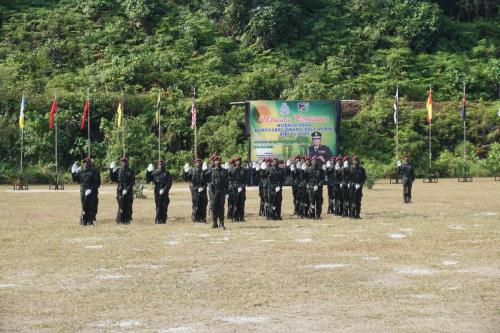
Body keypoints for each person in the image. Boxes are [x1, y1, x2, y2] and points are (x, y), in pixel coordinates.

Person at [71, 157, 101, 226]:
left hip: (91, 191)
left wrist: (91, 189)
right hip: (83, 190)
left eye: (86, 163)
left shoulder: (94, 172)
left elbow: (97, 183)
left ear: (89, 163)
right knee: (84, 205)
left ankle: (90, 220)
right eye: (84, 163)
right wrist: (73, 173)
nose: (84, 164)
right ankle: (84, 220)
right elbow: (76, 180)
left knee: (91, 206)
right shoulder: (81, 171)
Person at [109, 156, 135, 224]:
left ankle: (127, 219)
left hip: (128, 191)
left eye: (125, 162)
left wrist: (127, 189)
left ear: (127, 162)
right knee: (121, 204)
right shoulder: (118, 170)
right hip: (120, 190)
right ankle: (120, 219)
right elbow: (113, 179)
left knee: (128, 205)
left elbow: (132, 182)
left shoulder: (131, 171)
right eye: (122, 162)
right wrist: (111, 170)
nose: (123, 163)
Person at [146, 160, 172, 224]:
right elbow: (148, 179)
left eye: (161, 164)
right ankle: (158, 219)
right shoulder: (155, 173)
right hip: (157, 191)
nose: (160, 166)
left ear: (163, 165)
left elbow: (169, 183)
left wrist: (164, 189)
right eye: (159, 165)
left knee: (164, 205)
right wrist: (148, 172)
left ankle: (163, 219)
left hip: (164, 192)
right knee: (158, 205)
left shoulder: (167, 173)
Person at [206, 155, 229, 229]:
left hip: (221, 191)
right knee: (214, 207)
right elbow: (204, 177)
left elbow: (227, 182)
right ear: (213, 162)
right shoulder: (211, 171)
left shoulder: (224, 171)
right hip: (213, 191)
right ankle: (214, 222)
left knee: (221, 207)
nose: (217, 162)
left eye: (218, 160)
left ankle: (221, 223)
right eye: (215, 161)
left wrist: (227, 192)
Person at [184, 158, 209, 223]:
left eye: (199, 162)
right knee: (195, 204)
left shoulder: (204, 169)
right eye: (196, 162)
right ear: (194, 163)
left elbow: (207, 180)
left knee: (203, 204)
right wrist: (185, 172)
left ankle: (203, 218)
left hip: (203, 189)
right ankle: (195, 218)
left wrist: (206, 171)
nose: (198, 163)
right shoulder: (192, 170)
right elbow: (187, 178)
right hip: (195, 190)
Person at [228, 156, 247, 222]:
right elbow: (230, 179)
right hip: (234, 188)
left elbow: (245, 179)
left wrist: (242, 187)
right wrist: (234, 187)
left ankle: (241, 217)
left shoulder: (243, 169)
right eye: (236, 161)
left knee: (241, 203)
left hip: (241, 188)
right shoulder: (232, 169)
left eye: (239, 160)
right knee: (234, 203)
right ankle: (234, 217)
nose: (238, 162)